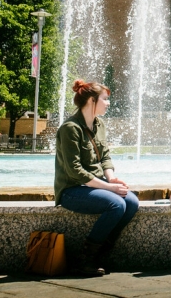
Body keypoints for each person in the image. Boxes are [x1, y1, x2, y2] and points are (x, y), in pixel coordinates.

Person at [55, 79, 139, 276]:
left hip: (96, 185)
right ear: (92, 100)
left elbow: (105, 157)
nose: (108, 103)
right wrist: (110, 189)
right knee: (116, 204)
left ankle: (101, 254)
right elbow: (75, 170)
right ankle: (86, 259)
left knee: (132, 202)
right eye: (105, 99)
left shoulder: (99, 124)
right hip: (72, 189)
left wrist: (112, 179)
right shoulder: (70, 128)